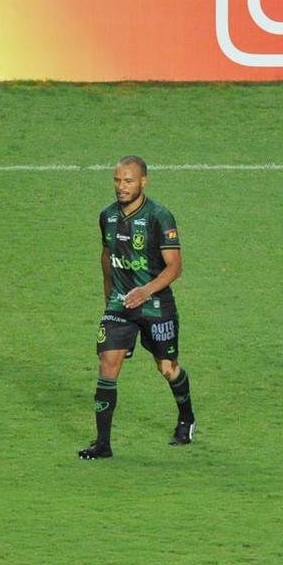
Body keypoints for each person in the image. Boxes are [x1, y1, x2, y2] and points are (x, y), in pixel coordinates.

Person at [79, 156, 196, 459]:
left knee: (167, 368)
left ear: (144, 181)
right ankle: (103, 444)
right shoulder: (107, 216)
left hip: (156, 304)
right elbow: (106, 258)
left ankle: (186, 419)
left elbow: (175, 267)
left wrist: (145, 291)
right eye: (117, 180)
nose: (121, 187)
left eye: (128, 180)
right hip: (120, 303)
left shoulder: (160, 217)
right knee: (107, 363)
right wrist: (110, 300)